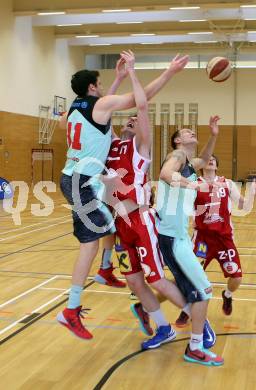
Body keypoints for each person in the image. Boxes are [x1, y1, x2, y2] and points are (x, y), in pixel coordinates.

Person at [56, 52, 189, 340]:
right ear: (93, 87)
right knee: (91, 242)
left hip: (75, 178)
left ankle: (104, 270)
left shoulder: (74, 110)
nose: (104, 88)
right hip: (83, 181)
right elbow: (139, 100)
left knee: (107, 223)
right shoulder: (104, 112)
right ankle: (74, 304)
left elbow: (99, 110)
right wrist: (168, 72)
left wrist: (115, 79)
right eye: (101, 84)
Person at [103, 50, 192, 350]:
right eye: (125, 120)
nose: (130, 121)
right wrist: (116, 79)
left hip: (141, 220)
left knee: (156, 280)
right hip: (120, 223)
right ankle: (164, 328)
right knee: (134, 282)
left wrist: (133, 73)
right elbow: (101, 113)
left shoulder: (141, 149)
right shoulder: (112, 146)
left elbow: (141, 104)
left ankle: (199, 323)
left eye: (134, 120)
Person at [156, 117, 224, 366]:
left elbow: (204, 160)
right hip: (172, 237)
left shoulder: (188, 162)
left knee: (201, 292)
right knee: (203, 292)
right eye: (186, 131)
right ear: (177, 140)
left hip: (178, 236)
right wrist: (191, 184)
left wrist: (213, 135)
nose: (191, 131)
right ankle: (194, 346)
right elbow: (164, 174)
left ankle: (195, 343)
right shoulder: (177, 155)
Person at [175, 155, 256, 327]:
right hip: (202, 239)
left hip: (224, 238)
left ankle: (227, 295)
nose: (211, 160)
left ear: (217, 165)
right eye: (208, 159)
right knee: (191, 276)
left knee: (236, 277)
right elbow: (185, 207)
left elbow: (244, 206)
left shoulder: (227, 183)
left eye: (214, 159)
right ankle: (186, 309)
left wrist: (252, 194)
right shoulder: (195, 184)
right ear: (202, 166)